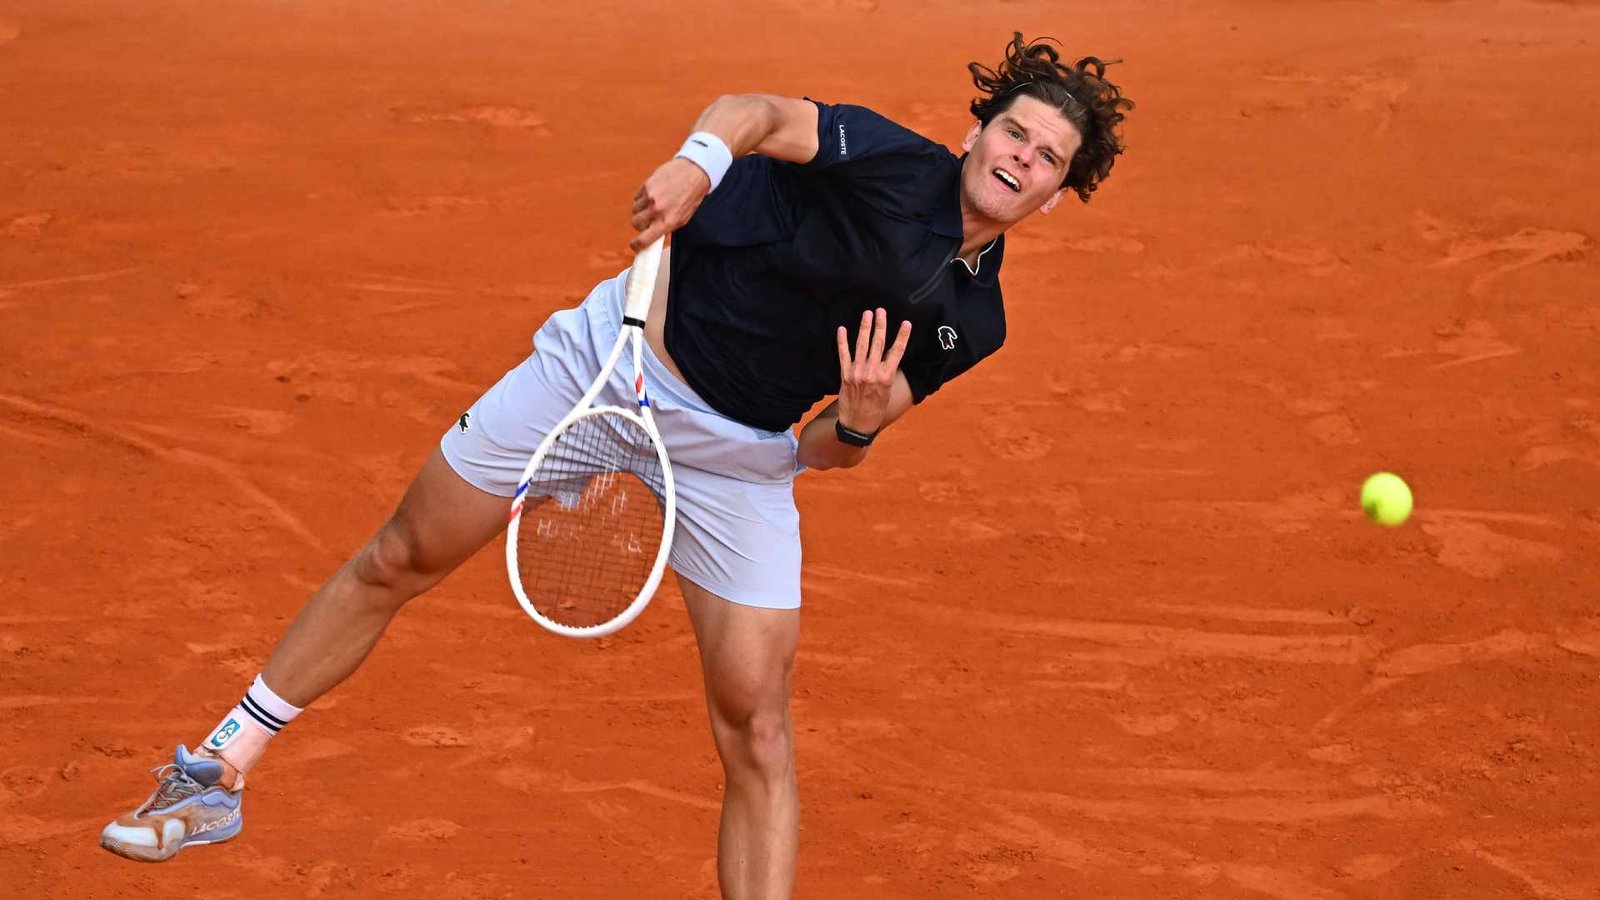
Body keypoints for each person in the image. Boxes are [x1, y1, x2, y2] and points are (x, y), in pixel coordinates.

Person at [100, 32, 1131, 899]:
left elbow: (821, 452)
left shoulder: (972, 322)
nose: (1021, 158)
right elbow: (753, 112)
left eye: (1047, 158)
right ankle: (217, 772)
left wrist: (856, 429)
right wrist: (697, 164)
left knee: (757, 726)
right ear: (976, 132)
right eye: (1014, 133)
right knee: (403, 554)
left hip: (738, 458)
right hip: (612, 362)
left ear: (1055, 196)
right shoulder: (888, 157)